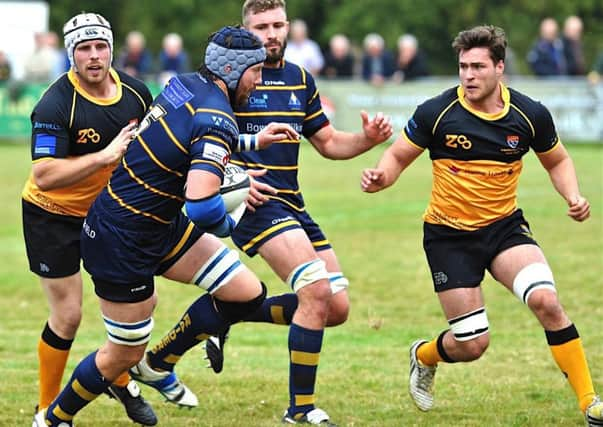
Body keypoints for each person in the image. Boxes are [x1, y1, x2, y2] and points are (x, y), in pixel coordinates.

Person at [137, 1, 392, 425]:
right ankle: (301, 409)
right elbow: (206, 137)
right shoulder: (232, 80)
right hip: (252, 203)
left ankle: (206, 324)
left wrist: (366, 140)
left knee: (337, 307)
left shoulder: (299, 79)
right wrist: (234, 178)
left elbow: (327, 143)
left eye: (277, 25)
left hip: (293, 203)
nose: (271, 34)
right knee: (314, 291)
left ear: (288, 27)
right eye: (261, 27)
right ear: (246, 29)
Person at [33, 25, 300, 427]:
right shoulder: (217, 118)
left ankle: (162, 359)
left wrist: (250, 143)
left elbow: (182, 139)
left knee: (244, 292)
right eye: (255, 71)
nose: (259, 80)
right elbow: (202, 205)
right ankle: (53, 418)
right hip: (121, 239)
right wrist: (235, 220)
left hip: (158, 224)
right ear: (231, 69)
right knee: (122, 353)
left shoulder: (183, 85)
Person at [360, 24, 603, 427]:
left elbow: (557, 160)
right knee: (473, 345)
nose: (468, 76)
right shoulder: (437, 112)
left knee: (547, 302)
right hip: (448, 237)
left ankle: (590, 403)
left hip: (504, 229)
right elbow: (398, 156)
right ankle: (424, 356)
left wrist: (572, 196)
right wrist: (381, 177)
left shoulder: (529, 114)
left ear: (499, 68)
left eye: (477, 67)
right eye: (462, 67)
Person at [23, 12, 157, 426]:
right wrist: (103, 156)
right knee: (68, 315)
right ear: (71, 55)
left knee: (128, 305)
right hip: (53, 214)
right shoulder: (56, 102)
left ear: (112, 50)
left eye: (101, 47)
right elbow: (44, 175)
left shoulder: (136, 93)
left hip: (108, 215)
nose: (95, 56)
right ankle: (48, 409)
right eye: (84, 48)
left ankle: (116, 375)